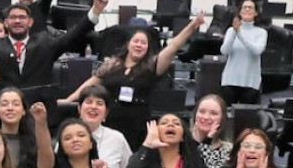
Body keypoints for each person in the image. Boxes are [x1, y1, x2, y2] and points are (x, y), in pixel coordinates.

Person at [81, 15, 206, 149]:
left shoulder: (151, 65)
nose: (139, 45)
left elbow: (174, 45)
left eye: (143, 43)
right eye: (136, 41)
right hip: (112, 118)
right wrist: (68, 100)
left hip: (137, 122)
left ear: (147, 47)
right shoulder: (113, 64)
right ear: (128, 44)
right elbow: (90, 84)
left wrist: (193, 25)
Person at [0, 0, 102, 87]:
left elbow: (72, 36)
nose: (17, 21)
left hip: (38, 107)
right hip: (5, 106)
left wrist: (95, 11)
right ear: (6, 23)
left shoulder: (44, 43)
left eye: (22, 17)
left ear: (30, 22)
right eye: (13, 17)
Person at [219, 0, 268, 107]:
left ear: (256, 13)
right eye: (244, 7)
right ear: (240, 12)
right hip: (230, 80)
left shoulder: (261, 32)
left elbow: (257, 51)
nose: (247, 9)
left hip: (251, 81)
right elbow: (224, 50)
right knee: (226, 113)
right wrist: (234, 32)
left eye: (250, 7)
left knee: (246, 114)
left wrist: (240, 34)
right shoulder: (231, 31)